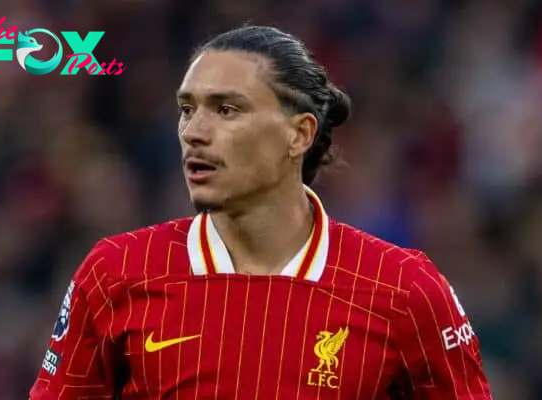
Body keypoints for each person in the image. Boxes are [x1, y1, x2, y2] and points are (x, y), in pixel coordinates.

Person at [29, 25, 492, 399]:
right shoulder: (117, 272)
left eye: (227, 110)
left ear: (300, 134)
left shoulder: (402, 289)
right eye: (186, 110)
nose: (194, 132)